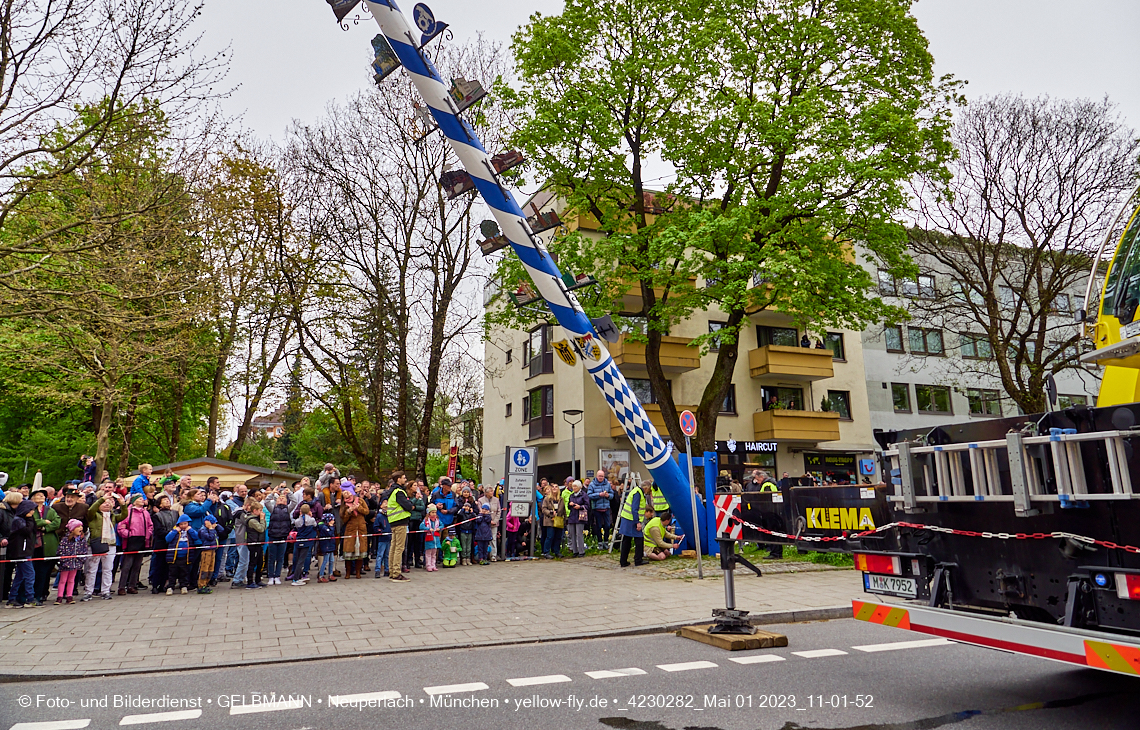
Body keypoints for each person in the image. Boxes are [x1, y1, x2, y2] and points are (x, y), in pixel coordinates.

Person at [82, 491, 126, 601]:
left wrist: (123, 504)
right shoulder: (93, 515)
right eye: (104, 503)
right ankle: (88, 591)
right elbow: (91, 510)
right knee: (92, 569)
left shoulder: (113, 516)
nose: (107, 504)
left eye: (109, 503)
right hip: (96, 543)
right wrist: (102, 498)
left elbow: (124, 515)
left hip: (110, 543)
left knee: (108, 569)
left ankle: (105, 591)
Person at [115, 493, 152, 596]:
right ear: (134, 501)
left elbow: (150, 525)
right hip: (130, 541)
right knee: (127, 565)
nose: (142, 500)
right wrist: (129, 534)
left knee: (137, 565)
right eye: (140, 499)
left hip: (142, 540)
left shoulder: (145, 513)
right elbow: (121, 527)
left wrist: (147, 535)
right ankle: (122, 586)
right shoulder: (128, 512)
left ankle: (132, 585)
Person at [29, 487, 60, 605]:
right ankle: (34, 595)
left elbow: (57, 522)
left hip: (48, 544)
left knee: (45, 572)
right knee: (35, 571)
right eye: (38, 495)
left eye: (42, 495)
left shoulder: (50, 510)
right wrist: (44, 522)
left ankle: (42, 593)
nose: (41, 497)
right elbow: (33, 522)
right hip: (34, 545)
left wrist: (45, 528)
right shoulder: (30, 509)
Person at [4, 496, 36, 608]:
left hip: (25, 550)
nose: (33, 512)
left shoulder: (22, 519)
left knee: (20, 576)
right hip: (21, 551)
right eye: (31, 510)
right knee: (29, 574)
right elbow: (27, 531)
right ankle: (30, 598)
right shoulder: (19, 520)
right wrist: (30, 519)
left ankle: (12, 598)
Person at [386, 471, 413, 582]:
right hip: (400, 521)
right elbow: (408, 506)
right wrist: (411, 505)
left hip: (393, 521)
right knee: (399, 548)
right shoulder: (399, 492)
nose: (405, 479)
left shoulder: (392, 491)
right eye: (403, 478)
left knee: (393, 547)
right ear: (398, 479)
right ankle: (396, 573)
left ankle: (392, 571)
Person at [149, 494, 177, 593]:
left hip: (172, 543)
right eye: (164, 500)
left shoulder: (175, 513)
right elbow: (158, 530)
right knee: (158, 565)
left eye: (168, 500)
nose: (167, 501)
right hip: (161, 543)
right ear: (160, 504)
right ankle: (155, 585)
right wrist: (170, 533)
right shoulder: (157, 516)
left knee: (168, 566)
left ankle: (163, 584)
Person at [56, 519, 87, 605]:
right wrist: (64, 560)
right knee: (63, 580)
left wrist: (81, 559)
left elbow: (85, 550)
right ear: (72, 529)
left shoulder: (82, 539)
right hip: (66, 563)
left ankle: (69, 596)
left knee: (71, 580)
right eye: (78, 527)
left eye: (81, 526)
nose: (80, 528)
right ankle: (59, 596)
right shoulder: (65, 539)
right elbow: (60, 551)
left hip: (76, 563)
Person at [617, 481, 648, 567]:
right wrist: (637, 522)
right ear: (645, 488)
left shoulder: (635, 491)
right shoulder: (638, 493)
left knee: (626, 540)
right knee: (639, 539)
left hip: (627, 518)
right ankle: (638, 560)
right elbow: (634, 509)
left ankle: (623, 561)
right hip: (631, 520)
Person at [165, 514, 197, 595]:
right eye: (181, 524)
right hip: (174, 557)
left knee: (184, 572)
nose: (183, 526)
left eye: (185, 524)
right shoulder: (174, 531)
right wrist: (175, 530)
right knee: (172, 573)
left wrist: (190, 530)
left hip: (185, 556)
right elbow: (167, 539)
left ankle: (183, 586)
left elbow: (196, 537)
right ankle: (170, 587)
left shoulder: (190, 531)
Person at [340, 492, 370, 579]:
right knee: (349, 551)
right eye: (345, 494)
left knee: (360, 551)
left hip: (361, 529)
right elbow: (343, 519)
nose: (348, 494)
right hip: (350, 530)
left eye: (348, 493)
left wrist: (358, 508)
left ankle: (358, 572)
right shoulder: (344, 505)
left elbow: (367, 511)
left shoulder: (360, 500)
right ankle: (348, 572)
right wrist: (349, 511)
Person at [265, 494, 291, 585]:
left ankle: (277, 576)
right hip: (273, 536)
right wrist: (272, 493)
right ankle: (271, 576)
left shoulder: (288, 509)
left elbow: (294, 502)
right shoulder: (273, 509)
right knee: (271, 557)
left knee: (280, 557)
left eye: (283, 498)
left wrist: (289, 493)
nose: (281, 499)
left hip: (283, 536)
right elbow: (266, 502)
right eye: (279, 498)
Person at [242, 498, 266, 589]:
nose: (261, 512)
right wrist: (262, 519)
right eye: (260, 510)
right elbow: (260, 528)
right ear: (255, 511)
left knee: (260, 562)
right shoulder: (252, 520)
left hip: (259, 542)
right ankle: (250, 581)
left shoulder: (257, 519)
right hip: (253, 543)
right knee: (253, 562)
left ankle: (258, 580)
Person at [586, 469, 613, 544]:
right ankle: (600, 542)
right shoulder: (592, 484)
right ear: (596, 476)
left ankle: (606, 541)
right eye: (599, 476)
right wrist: (598, 495)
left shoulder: (607, 484)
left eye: (602, 476)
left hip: (606, 507)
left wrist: (608, 495)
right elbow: (589, 495)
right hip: (597, 508)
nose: (601, 477)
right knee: (598, 526)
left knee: (607, 526)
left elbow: (612, 494)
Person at [292, 504, 318, 585]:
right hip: (306, 542)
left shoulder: (297, 521)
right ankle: (296, 579)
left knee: (297, 559)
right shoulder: (311, 520)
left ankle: (297, 576)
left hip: (299, 541)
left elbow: (296, 526)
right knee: (301, 560)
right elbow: (315, 525)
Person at [405, 481, 426, 570]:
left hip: (418, 519)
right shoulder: (408, 496)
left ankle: (417, 559)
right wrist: (415, 499)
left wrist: (415, 507)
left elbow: (423, 507)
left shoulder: (420, 495)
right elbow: (409, 506)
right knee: (410, 541)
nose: (416, 487)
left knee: (418, 541)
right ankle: (408, 559)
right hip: (411, 520)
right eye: (414, 485)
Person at [540, 484, 565, 558]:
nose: (554, 488)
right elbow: (543, 509)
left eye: (556, 487)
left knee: (558, 536)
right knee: (550, 536)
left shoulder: (561, 499)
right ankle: (546, 552)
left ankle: (557, 551)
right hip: (549, 520)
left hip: (559, 520)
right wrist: (550, 513)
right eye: (553, 487)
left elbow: (563, 510)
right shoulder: (547, 499)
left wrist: (565, 519)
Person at [196, 513, 219, 594]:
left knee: (210, 568)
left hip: (213, 550)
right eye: (214, 523)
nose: (215, 525)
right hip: (206, 551)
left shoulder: (213, 529)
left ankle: (206, 583)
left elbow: (222, 530)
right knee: (204, 568)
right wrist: (211, 528)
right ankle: (201, 585)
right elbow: (210, 537)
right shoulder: (203, 530)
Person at [477, 484, 501, 561]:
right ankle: (484, 556)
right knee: (483, 540)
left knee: (493, 539)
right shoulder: (481, 500)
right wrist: (487, 519)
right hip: (484, 524)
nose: (492, 492)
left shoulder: (496, 500)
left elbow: (498, 511)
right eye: (490, 491)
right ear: (486, 493)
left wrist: (495, 521)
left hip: (494, 523)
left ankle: (493, 555)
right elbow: (481, 511)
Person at [566, 479, 589, 558]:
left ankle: (581, 551)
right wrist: (570, 504)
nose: (574, 488)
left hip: (580, 517)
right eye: (573, 486)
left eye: (575, 486)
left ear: (579, 487)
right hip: (572, 516)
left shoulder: (584, 495)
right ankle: (575, 551)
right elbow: (568, 507)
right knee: (572, 534)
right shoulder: (571, 495)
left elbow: (587, 506)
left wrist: (580, 507)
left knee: (579, 534)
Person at [455, 487, 477, 566]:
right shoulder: (459, 500)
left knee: (469, 545)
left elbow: (476, 514)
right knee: (463, 545)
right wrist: (462, 509)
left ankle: (469, 558)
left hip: (470, 528)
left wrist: (472, 512)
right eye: (464, 492)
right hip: (462, 527)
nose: (466, 493)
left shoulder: (472, 501)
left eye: (468, 492)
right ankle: (463, 558)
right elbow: (458, 513)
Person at [421, 504, 443, 571]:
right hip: (429, 539)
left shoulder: (437, 520)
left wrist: (439, 528)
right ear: (429, 513)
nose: (434, 514)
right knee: (428, 554)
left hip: (436, 540)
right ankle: (428, 565)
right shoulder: (426, 520)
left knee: (434, 554)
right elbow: (421, 527)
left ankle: (433, 565)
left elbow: (442, 525)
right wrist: (428, 528)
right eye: (432, 512)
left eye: (435, 512)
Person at [316, 512, 336, 583]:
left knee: (331, 560)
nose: (333, 521)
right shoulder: (324, 528)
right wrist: (331, 527)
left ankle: (330, 574)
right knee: (325, 561)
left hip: (331, 546)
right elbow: (329, 534)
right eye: (332, 520)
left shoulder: (328, 527)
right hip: (326, 546)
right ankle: (321, 575)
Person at [373, 506, 391, 578]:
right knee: (380, 555)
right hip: (382, 538)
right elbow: (375, 527)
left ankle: (387, 570)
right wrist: (381, 531)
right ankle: (377, 570)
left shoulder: (390, 515)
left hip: (388, 537)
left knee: (387, 555)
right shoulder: (379, 516)